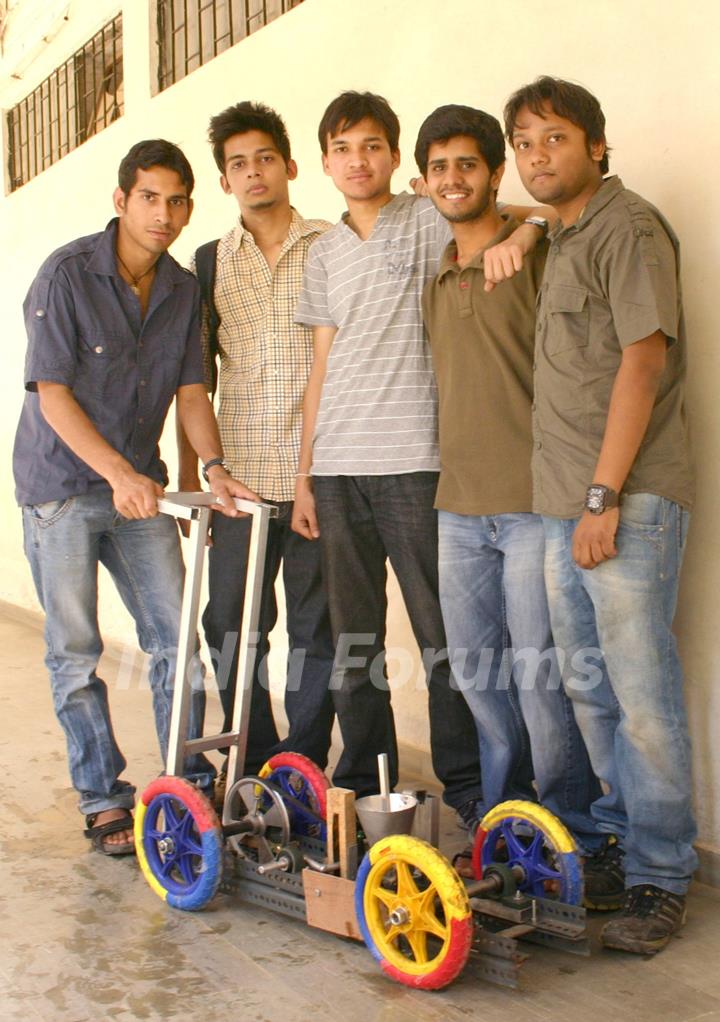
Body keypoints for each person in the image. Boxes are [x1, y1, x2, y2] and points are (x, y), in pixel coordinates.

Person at [13, 139, 257, 856]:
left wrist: (211, 466)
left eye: (178, 200)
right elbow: (52, 396)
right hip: (60, 488)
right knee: (75, 650)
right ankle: (101, 797)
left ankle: (183, 776)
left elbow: (190, 391)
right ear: (122, 201)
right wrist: (118, 475)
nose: (165, 213)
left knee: (174, 637)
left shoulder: (182, 289)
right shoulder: (65, 275)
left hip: (141, 486)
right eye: (150, 197)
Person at [504, 75, 696, 953]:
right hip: (561, 506)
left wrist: (601, 498)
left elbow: (642, 363)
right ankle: (619, 844)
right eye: (525, 142)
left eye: (555, 138)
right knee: (590, 687)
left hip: (622, 500)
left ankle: (661, 878)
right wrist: (528, 220)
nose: (537, 156)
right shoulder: (566, 232)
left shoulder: (629, 228)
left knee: (642, 694)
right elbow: (517, 203)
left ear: (597, 145)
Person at [294, 90, 499, 824]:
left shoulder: (424, 217)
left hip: (414, 461)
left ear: (394, 154)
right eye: (344, 148)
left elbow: (508, 217)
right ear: (324, 161)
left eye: (373, 145)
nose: (358, 160)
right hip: (338, 466)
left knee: (444, 636)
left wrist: (523, 236)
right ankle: (363, 778)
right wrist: (305, 473)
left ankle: (468, 786)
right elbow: (322, 362)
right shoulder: (322, 251)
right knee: (356, 640)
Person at [416, 104, 600, 850]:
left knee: (542, 679)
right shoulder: (437, 277)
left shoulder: (535, 256)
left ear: (495, 173)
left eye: (468, 164)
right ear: (424, 181)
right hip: (456, 510)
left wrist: (529, 227)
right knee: (480, 678)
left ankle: (574, 836)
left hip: (530, 509)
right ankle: (506, 828)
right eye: (439, 167)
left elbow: (563, 218)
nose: (453, 178)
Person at [178, 102, 335, 775]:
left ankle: (297, 770)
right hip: (238, 484)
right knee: (231, 627)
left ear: (290, 165)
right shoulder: (209, 262)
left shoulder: (334, 245)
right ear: (224, 182)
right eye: (238, 164)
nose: (253, 172)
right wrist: (196, 483)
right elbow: (194, 381)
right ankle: (254, 759)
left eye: (264, 158)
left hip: (319, 478)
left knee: (316, 633)